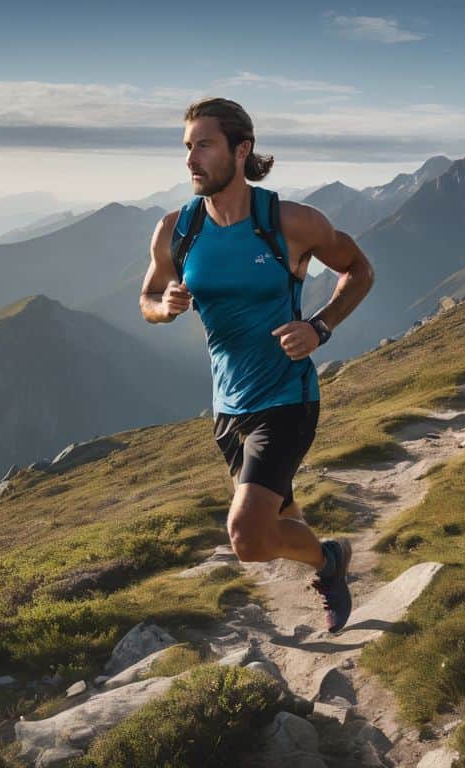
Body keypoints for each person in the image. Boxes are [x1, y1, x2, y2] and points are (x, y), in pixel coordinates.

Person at [139, 97, 375, 633]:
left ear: (241, 150)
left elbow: (359, 270)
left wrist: (319, 327)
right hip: (228, 405)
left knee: (247, 537)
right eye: (187, 147)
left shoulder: (289, 222)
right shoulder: (178, 230)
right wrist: (165, 305)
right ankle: (329, 560)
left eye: (204, 145)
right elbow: (147, 298)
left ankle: (330, 561)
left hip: (288, 398)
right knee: (281, 521)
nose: (191, 159)